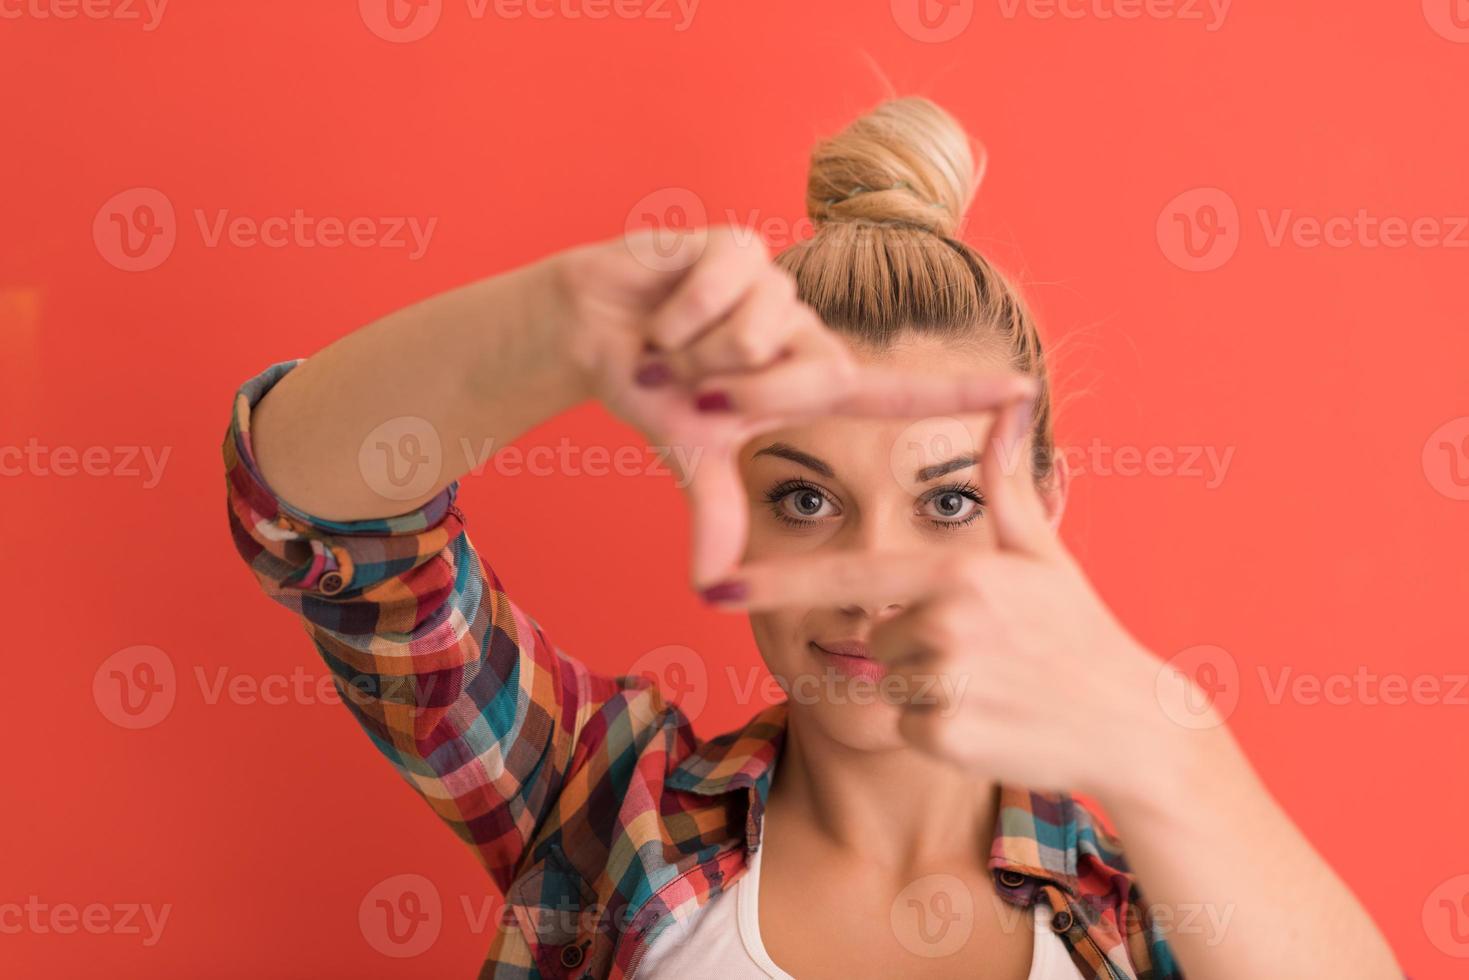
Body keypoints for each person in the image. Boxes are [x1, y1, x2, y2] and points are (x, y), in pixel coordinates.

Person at [222, 98, 1401, 979]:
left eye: (945, 501)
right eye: (804, 498)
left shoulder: (1153, 893)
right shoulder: (602, 807)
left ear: (1038, 510)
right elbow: (317, 515)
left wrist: (1159, 742)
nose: (870, 583)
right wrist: (561, 322)